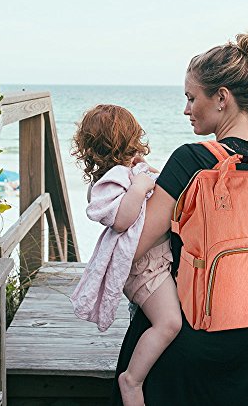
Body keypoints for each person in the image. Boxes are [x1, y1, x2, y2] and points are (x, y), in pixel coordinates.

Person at [109, 33, 248, 406]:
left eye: (192, 98)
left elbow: (134, 248)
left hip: (185, 338)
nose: (186, 109)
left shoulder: (190, 160)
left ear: (222, 98)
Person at [70, 105, 182, 406]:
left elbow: (159, 190)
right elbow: (121, 220)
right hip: (145, 269)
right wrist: (140, 188)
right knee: (169, 323)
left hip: (156, 262)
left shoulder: (129, 173)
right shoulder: (106, 184)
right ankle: (132, 380)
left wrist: (146, 175)